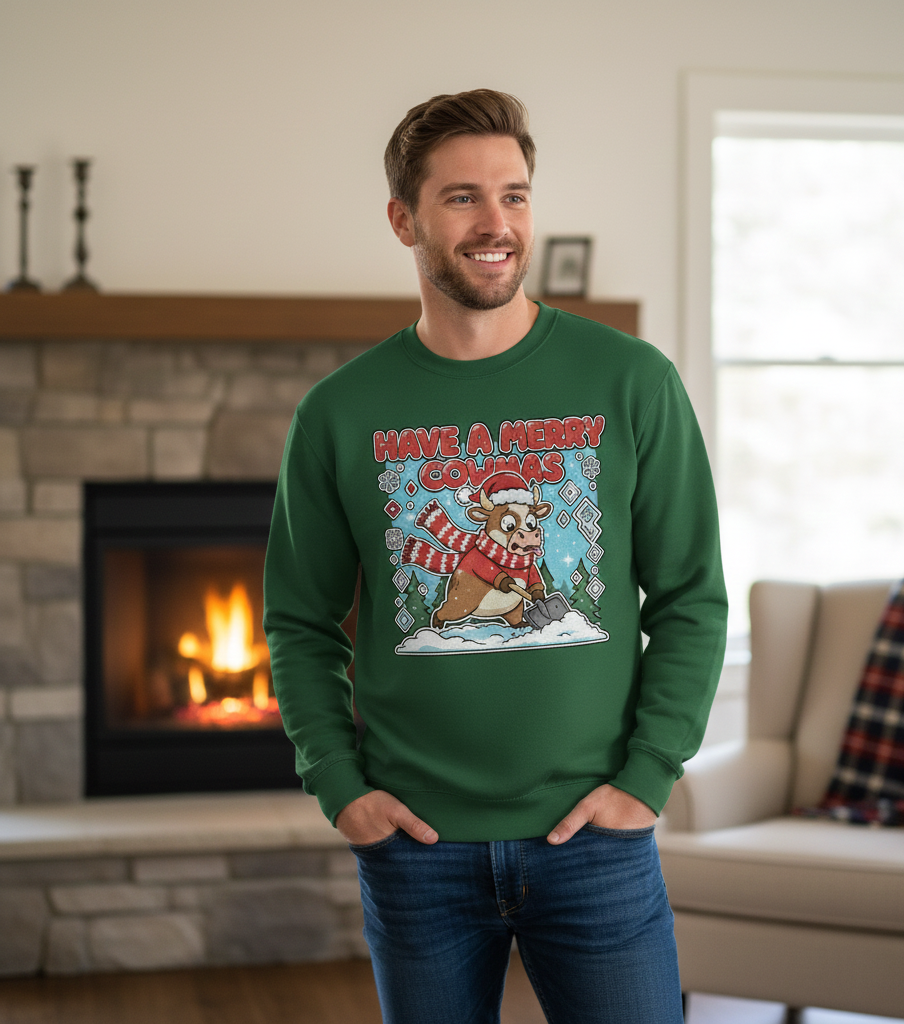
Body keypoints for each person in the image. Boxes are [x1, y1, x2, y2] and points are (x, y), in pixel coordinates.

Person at [263, 88, 727, 1024]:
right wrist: (339, 787)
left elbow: (691, 598)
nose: (496, 224)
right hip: (417, 850)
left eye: (514, 196)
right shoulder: (340, 413)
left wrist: (648, 776)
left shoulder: (631, 381)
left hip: (594, 843)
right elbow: (299, 622)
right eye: (463, 197)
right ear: (404, 219)